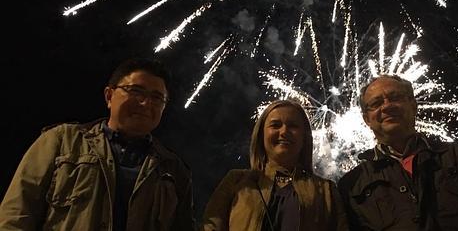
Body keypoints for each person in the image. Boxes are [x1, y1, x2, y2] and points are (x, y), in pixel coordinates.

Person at [0, 57, 195, 231]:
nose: (146, 103)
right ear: (109, 96)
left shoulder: (174, 169)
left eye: (157, 97)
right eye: (136, 91)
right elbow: (17, 214)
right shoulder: (62, 141)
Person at [338, 75, 458, 230]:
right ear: (366, 119)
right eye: (376, 103)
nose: (387, 106)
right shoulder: (352, 185)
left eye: (395, 97)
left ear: (413, 105)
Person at [202, 99, 348, 231]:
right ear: (261, 135)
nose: (284, 131)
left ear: (304, 137)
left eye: (293, 126)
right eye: (275, 125)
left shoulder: (326, 191)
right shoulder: (236, 182)